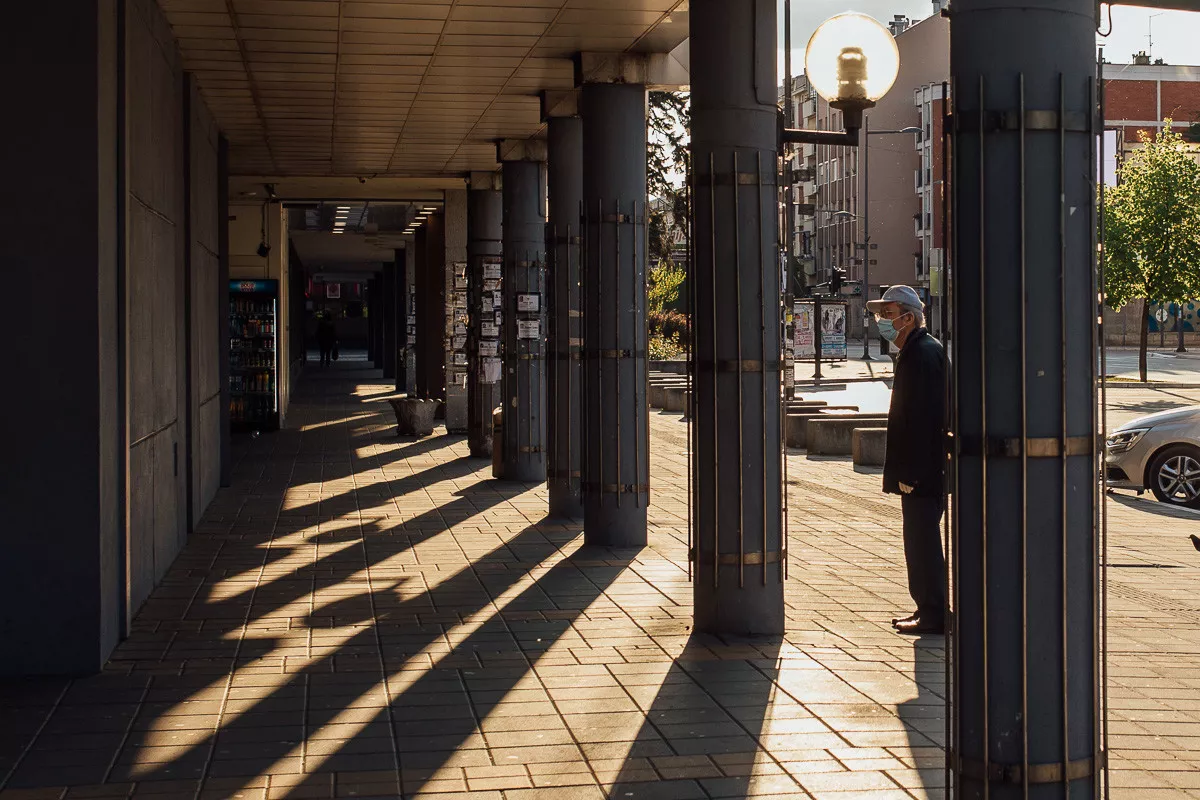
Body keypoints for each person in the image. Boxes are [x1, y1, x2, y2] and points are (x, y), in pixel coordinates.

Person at [866, 285, 948, 636]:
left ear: (909, 317)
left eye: (889, 315)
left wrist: (912, 473)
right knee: (918, 542)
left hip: (923, 473)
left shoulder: (923, 353)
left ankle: (933, 615)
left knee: (923, 543)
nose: (883, 322)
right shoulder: (917, 350)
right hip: (921, 470)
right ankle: (926, 608)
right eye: (881, 315)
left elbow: (925, 419)